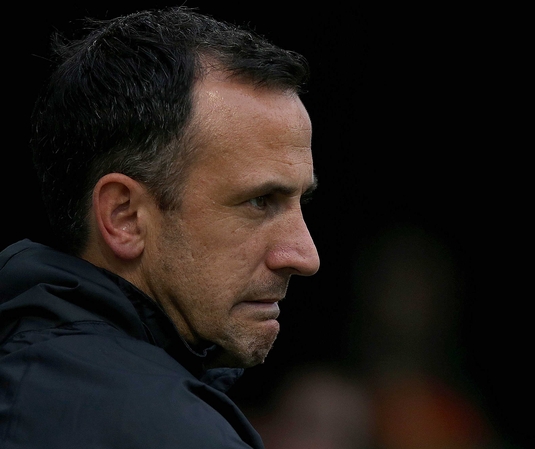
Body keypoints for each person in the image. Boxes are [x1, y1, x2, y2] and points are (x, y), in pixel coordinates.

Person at [0, 7, 320, 448]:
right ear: (124, 217)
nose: (305, 255)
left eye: (300, 202)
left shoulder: (30, 377)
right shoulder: (168, 430)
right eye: (259, 201)